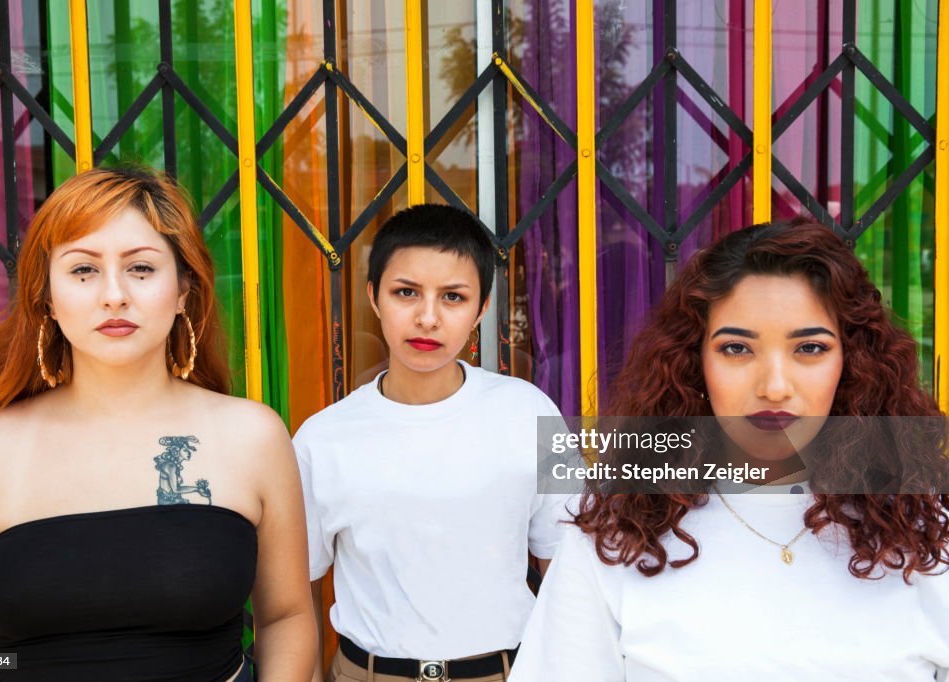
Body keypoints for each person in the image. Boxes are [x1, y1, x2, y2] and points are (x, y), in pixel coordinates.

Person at [510, 220, 949, 681]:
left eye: (810, 348)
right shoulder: (616, 532)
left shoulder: (924, 533)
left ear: (853, 363)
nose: (774, 388)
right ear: (693, 361)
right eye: (737, 348)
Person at [0, 167, 316, 681]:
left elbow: (286, 616)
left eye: (141, 269)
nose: (114, 295)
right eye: (83, 270)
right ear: (46, 296)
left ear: (183, 292)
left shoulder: (252, 436)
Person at [294, 204, 573, 682]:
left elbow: (566, 570)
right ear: (374, 298)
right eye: (406, 293)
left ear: (481, 308)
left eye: (453, 297)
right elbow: (295, 592)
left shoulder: (529, 412)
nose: (427, 317)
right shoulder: (324, 437)